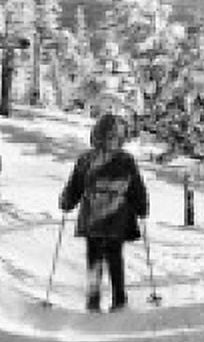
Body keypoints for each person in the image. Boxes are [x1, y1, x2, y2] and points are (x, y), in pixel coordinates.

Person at [58, 113, 149, 312]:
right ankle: (118, 299)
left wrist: (67, 201)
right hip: (117, 215)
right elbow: (136, 187)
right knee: (114, 256)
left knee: (95, 257)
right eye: (112, 137)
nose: (112, 141)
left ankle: (94, 300)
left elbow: (75, 185)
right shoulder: (125, 159)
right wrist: (142, 207)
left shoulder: (87, 158)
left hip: (95, 215)